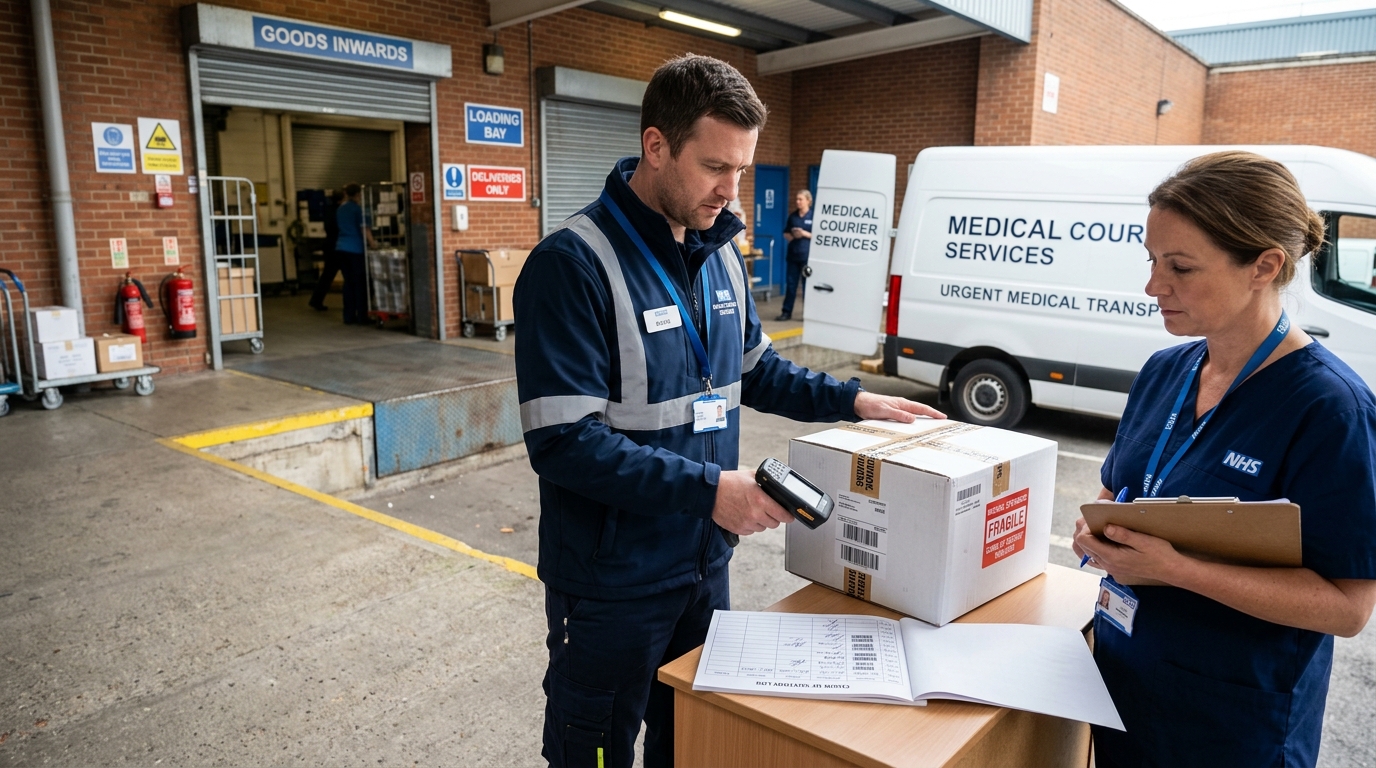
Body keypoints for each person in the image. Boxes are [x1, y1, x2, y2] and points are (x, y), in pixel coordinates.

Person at [513, 54, 943, 768]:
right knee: (593, 753)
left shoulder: (717, 255)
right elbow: (563, 443)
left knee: (694, 747)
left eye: (741, 170)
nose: (731, 190)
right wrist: (713, 492)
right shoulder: (572, 265)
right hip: (613, 583)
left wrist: (854, 400)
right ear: (656, 146)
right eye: (716, 167)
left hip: (703, 565)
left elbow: (755, 371)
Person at [1071, 151, 1376, 767]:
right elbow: (1116, 492)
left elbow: (1347, 609)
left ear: (1265, 266)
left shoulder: (1331, 409)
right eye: (1153, 261)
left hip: (1230, 724)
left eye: (1180, 267)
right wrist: (1097, 529)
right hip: (1119, 685)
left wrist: (1177, 570)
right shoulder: (1166, 370)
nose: (1154, 286)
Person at [332, 183, 375, 325]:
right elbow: (365, 229)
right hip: (355, 249)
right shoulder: (358, 210)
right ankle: (362, 317)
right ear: (358, 194)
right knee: (359, 283)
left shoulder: (340, 209)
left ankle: (348, 316)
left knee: (348, 283)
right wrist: (373, 244)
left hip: (341, 248)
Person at [775, 189, 813, 321]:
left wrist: (804, 234)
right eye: (797, 199)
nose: (798, 202)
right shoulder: (793, 217)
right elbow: (786, 233)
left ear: (808, 201)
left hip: (808, 258)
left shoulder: (813, 217)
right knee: (791, 285)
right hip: (793, 256)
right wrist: (793, 236)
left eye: (800, 199)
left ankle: (808, 314)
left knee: (807, 287)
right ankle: (786, 312)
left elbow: (819, 237)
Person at [308, 190, 346, 312]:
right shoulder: (340, 211)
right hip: (338, 246)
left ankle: (316, 300)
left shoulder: (328, 210)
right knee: (348, 275)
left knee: (327, 275)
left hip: (329, 245)